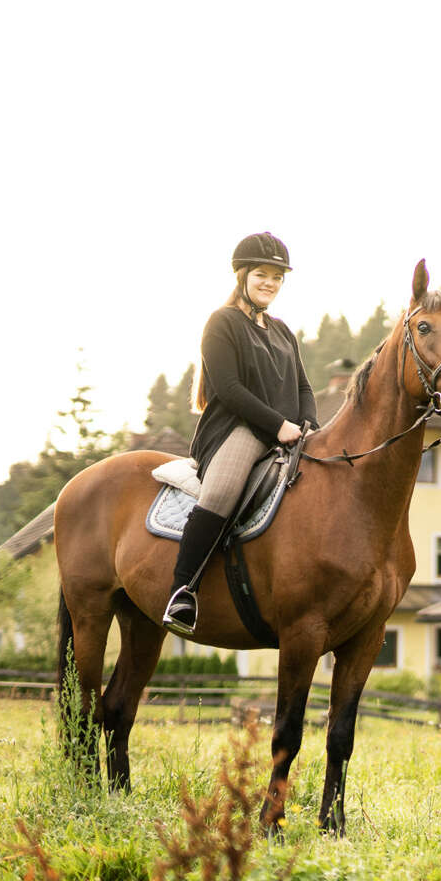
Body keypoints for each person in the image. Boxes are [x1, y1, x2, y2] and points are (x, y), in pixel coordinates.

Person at [162, 231, 318, 635]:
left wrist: (309, 425)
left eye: (277, 277)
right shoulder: (222, 323)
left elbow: (303, 386)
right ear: (243, 276)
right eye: (262, 274)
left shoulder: (283, 332)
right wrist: (277, 425)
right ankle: (183, 590)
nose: (270, 283)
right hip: (237, 429)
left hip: (286, 433)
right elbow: (230, 390)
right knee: (222, 492)